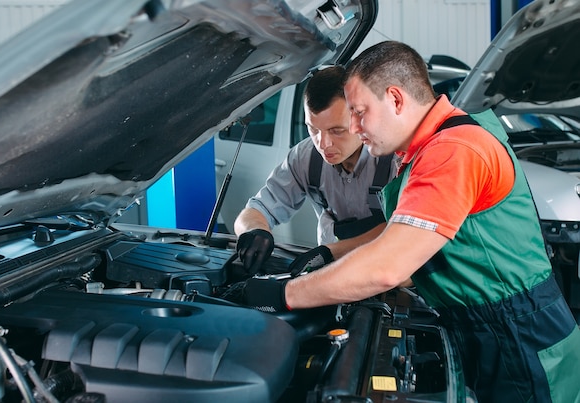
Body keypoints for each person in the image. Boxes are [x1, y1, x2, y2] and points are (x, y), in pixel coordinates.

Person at [244, 41, 580, 402]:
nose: (355, 128)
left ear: (395, 99)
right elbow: (400, 240)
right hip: (487, 328)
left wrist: (284, 293)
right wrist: (317, 253)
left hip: (518, 338)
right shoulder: (433, 146)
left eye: (359, 112)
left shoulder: (452, 152)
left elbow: (389, 266)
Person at [234, 66, 395, 275]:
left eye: (336, 130)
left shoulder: (394, 160)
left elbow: (401, 232)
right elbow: (256, 210)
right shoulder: (305, 157)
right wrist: (254, 230)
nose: (323, 143)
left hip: (388, 277)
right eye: (313, 129)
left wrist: (328, 252)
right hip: (331, 275)